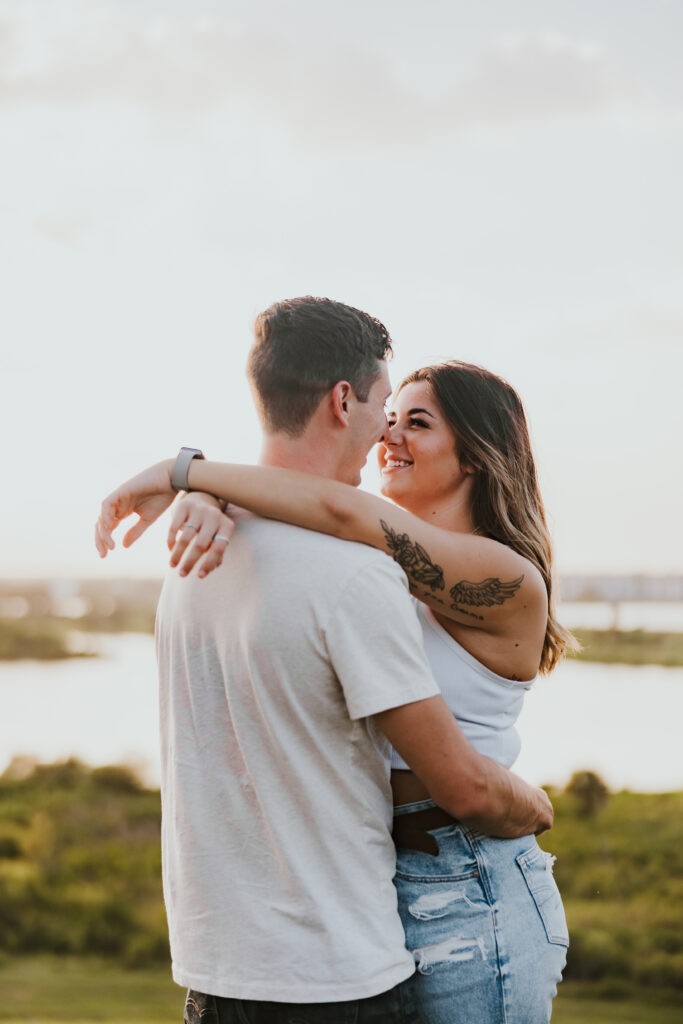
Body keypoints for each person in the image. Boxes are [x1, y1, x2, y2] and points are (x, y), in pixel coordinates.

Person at [96, 297, 552, 1024]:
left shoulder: (502, 579)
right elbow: (326, 523)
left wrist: (191, 472)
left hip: (469, 877)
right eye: (390, 412)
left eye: (418, 422)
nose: (388, 433)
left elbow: (342, 515)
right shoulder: (372, 567)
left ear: (475, 454)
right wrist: (215, 498)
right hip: (372, 885)